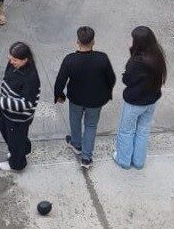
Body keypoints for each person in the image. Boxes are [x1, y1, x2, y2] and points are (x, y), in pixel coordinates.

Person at [53, 26, 115, 170]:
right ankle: (86, 158)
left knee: (74, 120)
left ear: (77, 41)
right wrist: (107, 93)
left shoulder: (70, 60)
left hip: (76, 98)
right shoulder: (102, 58)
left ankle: (76, 144)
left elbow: (60, 81)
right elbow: (111, 79)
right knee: (91, 126)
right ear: (93, 41)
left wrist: (59, 95)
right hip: (96, 100)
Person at [112, 26, 165, 169]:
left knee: (126, 131)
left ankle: (123, 160)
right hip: (151, 100)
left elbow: (127, 80)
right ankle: (139, 161)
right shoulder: (157, 55)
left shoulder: (136, 62)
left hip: (134, 103)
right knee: (143, 130)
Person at [0, 41, 39, 172]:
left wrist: (2, 102)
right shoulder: (13, 65)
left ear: (25, 59)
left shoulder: (31, 78)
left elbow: (28, 103)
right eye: (10, 58)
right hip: (7, 111)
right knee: (10, 133)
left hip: (18, 117)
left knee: (15, 139)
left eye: (15, 60)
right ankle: (23, 150)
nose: (11, 62)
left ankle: (17, 163)